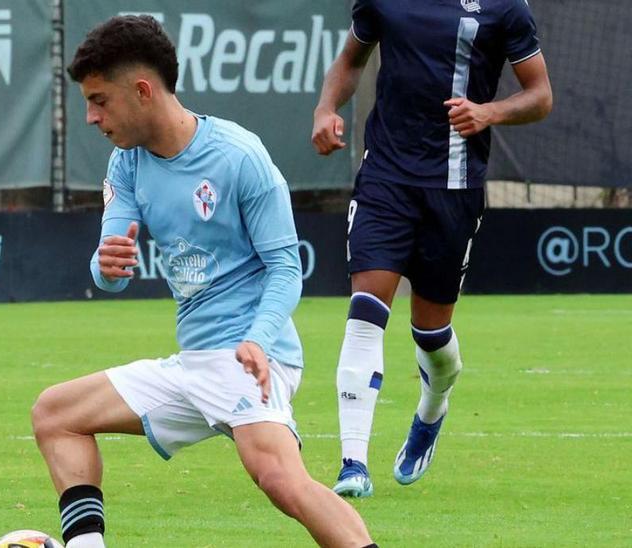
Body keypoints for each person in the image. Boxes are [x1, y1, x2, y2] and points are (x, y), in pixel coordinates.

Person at [31, 16, 374, 548]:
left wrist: (257, 340)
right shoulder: (127, 163)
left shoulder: (240, 157)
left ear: (142, 91)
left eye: (100, 100)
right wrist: (106, 264)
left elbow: (286, 268)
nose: (90, 117)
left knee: (281, 480)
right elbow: (110, 273)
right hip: (195, 364)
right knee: (55, 414)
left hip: (251, 356)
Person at [312, 0, 552, 497]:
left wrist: (489, 112)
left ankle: (432, 408)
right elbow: (351, 59)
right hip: (385, 179)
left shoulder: (505, 7)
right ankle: (353, 462)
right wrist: (325, 107)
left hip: (454, 187)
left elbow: (540, 95)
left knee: (431, 333)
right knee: (365, 312)